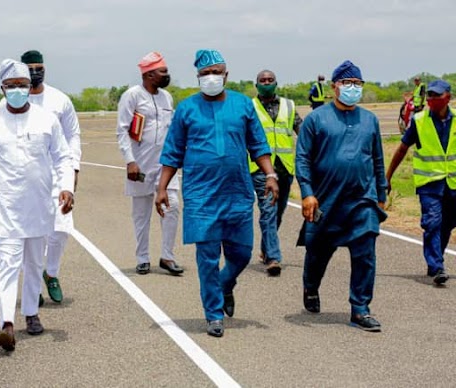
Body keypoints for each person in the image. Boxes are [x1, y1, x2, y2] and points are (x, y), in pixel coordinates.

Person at [156, 49, 278, 337]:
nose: (211, 78)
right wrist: (161, 188)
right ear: (198, 77)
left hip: (237, 192)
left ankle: (225, 284)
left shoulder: (243, 105)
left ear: (226, 74)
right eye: (205, 74)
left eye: (216, 72)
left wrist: (270, 174)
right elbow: (172, 151)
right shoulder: (187, 109)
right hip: (201, 196)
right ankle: (213, 314)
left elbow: (258, 144)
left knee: (242, 254)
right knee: (207, 257)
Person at [0, 59, 74, 351]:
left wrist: (66, 187)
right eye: (11, 86)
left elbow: (63, 157)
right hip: (3, 208)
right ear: (1, 88)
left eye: (22, 85)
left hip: (39, 206)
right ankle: (6, 324)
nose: (17, 90)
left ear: (30, 87)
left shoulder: (46, 120)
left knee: (34, 263)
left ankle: (31, 313)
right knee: (8, 266)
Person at [296, 60, 388, 332]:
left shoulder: (369, 120)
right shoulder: (316, 119)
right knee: (318, 253)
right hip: (326, 199)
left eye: (357, 84)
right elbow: (302, 159)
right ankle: (311, 286)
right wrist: (307, 193)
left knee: (365, 253)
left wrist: (380, 193)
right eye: (347, 83)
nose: (352, 88)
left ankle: (360, 309)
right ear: (334, 87)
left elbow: (378, 160)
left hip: (362, 200)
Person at [18, 49, 82, 305]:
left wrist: (73, 169)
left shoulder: (60, 100)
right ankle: (33, 285)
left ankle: (51, 273)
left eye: (39, 67)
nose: (35, 72)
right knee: (31, 235)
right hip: (26, 176)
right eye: (30, 68)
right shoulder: (13, 101)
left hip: (57, 173)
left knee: (61, 229)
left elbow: (73, 136)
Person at [116, 51, 183, 276]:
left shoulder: (167, 97)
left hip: (166, 164)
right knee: (141, 214)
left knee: (172, 206)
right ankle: (143, 258)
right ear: (149, 74)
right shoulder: (132, 96)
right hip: (141, 164)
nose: (167, 75)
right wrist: (130, 161)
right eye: (163, 71)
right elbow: (122, 130)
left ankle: (167, 256)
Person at [386, 79, 456, 286]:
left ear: (448, 98)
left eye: (437, 96)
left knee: (447, 225)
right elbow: (402, 149)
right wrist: (388, 176)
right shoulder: (419, 120)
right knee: (432, 222)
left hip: (452, 183)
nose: (432, 100)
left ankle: (436, 258)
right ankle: (437, 267)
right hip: (429, 183)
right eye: (430, 96)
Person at [250, 69, 302, 276]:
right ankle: (273, 257)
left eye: (270, 80)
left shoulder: (288, 106)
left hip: (285, 167)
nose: (266, 82)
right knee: (268, 210)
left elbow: (302, 129)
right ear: (256, 85)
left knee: (278, 213)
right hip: (261, 168)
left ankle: (265, 248)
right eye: (262, 80)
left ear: (276, 83)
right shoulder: (250, 107)